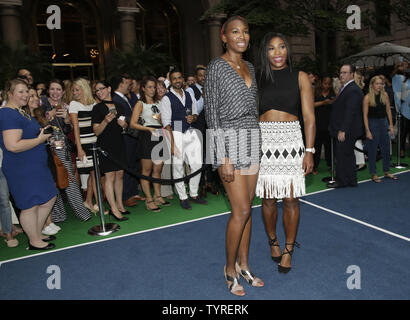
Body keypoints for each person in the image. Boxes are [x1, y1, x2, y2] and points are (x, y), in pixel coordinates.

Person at [204, 16, 263, 296]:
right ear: (224, 37)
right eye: (235, 31)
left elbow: (255, 109)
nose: (242, 36)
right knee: (240, 210)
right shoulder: (216, 67)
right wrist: (222, 155)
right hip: (228, 141)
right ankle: (229, 268)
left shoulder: (250, 66)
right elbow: (211, 113)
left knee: (248, 210)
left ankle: (244, 264)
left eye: (246, 31)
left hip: (252, 139)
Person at [256, 32, 315, 274]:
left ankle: (288, 250)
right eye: (272, 48)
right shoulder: (256, 77)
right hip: (264, 141)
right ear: (265, 52)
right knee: (268, 199)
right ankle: (273, 242)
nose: (278, 52)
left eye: (282, 47)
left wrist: (309, 150)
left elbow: (310, 117)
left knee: (291, 199)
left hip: (291, 140)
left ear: (287, 50)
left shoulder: (299, 77)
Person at [0, 79, 57, 250]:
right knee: (30, 204)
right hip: (21, 167)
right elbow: (13, 145)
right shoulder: (7, 113)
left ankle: (36, 233)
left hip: (35, 164)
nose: (25, 95)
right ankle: (34, 240)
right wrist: (39, 139)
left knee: (49, 197)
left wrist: (42, 136)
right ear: (9, 93)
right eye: (20, 92)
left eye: (27, 91)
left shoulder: (20, 112)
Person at [39, 80, 92, 222]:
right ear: (48, 91)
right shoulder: (41, 103)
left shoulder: (67, 106)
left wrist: (67, 119)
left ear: (63, 92)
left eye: (58, 89)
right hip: (44, 146)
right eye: (52, 89)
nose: (55, 92)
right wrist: (50, 114)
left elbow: (69, 129)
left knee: (69, 178)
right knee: (52, 181)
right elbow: (39, 122)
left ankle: (82, 212)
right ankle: (58, 215)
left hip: (62, 146)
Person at [160, 68, 207, 210]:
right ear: (171, 81)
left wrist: (193, 117)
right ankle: (183, 197)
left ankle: (193, 193)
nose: (177, 80)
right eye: (174, 78)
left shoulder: (189, 94)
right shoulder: (166, 98)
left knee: (197, 164)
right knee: (178, 165)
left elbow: (195, 113)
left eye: (179, 77)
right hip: (175, 132)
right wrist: (172, 145)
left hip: (190, 131)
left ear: (183, 79)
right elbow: (166, 123)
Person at [130, 76, 170, 212]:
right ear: (143, 88)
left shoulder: (160, 103)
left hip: (160, 135)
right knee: (146, 171)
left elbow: (164, 123)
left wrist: (160, 122)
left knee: (157, 170)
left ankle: (158, 195)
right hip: (147, 136)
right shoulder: (140, 103)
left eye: (154, 87)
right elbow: (132, 123)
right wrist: (148, 128)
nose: (153, 90)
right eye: (150, 87)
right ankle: (149, 199)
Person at [92, 80, 129, 221]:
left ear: (109, 88)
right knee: (110, 176)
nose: (99, 92)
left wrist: (124, 125)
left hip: (119, 143)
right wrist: (105, 121)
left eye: (101, 89)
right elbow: (96, 132)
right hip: (105, 146)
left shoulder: (119, 106)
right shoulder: (97, 109)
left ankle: (120, 205)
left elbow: (125, 127)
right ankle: (113, 209)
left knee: (120, 174)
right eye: (97, 90)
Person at [328, 64, 364, 188]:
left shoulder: (352, 89)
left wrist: (343, 130)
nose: (341, 75)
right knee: (347, 155)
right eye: (340, 72)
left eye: (344, 73)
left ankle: (343, 180)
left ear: (351, 74)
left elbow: (351, 112)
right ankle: (351, 180)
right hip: (346, 129)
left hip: (347, 130)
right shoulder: (347, 88)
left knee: (343, 155)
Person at [111, 74, 144, 207]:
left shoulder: (126, 97)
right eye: (127, 83)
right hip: (125, 137)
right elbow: (125, 119)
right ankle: (126, 195)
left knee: (133, 164)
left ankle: (133, 191)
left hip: (132, 136)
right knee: (127, 165)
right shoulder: (116, 99)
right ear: (121, 83)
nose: (129, 86)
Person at [69, 78, 99, 212]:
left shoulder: (93, 104)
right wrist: (79, 149)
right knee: (93, 173)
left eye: (77, 89)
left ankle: (88, 201)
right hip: (84, 143)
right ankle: (96, 203)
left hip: (95, 141)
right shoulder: (73, 104)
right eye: (73, 90)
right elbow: (76, 128)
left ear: (84, 89)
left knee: (95, 173)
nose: (75, 92)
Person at [363, 76, 398, 182]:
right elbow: (364, 115)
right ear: (372, 85)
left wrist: (391, 125)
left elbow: (388, 111)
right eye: (377, 83)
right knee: (372, 149)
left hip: (383, 122)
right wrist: (368, 130)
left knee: (386, 148)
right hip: (372, 123)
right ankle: (373, 173)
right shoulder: (367, 97)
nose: (379, 86)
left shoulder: (385, 95)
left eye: (381, 84)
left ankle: (387, 171)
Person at [313, 76, 335, 174]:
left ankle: (331, 166)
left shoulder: (333, 94)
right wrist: (323, 102)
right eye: (325, 83)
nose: (326, 85)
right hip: (317, 124)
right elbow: (311, 105)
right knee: (316, 147)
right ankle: (314, 167)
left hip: (329, 125)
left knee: (329, 148)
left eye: (328, 84)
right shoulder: (315, 93)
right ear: (321, 83)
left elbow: (337, 105)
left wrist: (332, 102)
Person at [157, 80, 174, 200]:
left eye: (162, 87)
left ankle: (176, 186)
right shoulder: (154, 103)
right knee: (165, 163)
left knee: (175, 162)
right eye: (157, 88)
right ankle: (165, 190)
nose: (160, 90)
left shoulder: (170, 99)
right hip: (160, 134)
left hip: (173, 132)